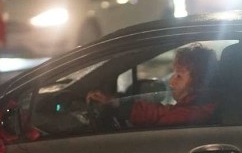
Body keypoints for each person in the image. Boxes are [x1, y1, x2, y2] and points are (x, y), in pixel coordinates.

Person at [87, 43, 219, 127]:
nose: (171, 81)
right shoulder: (198, 106)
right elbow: (157, 112)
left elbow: (161, 118)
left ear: (198, 82)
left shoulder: (186, 116)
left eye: (179, 76)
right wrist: (115, 103)